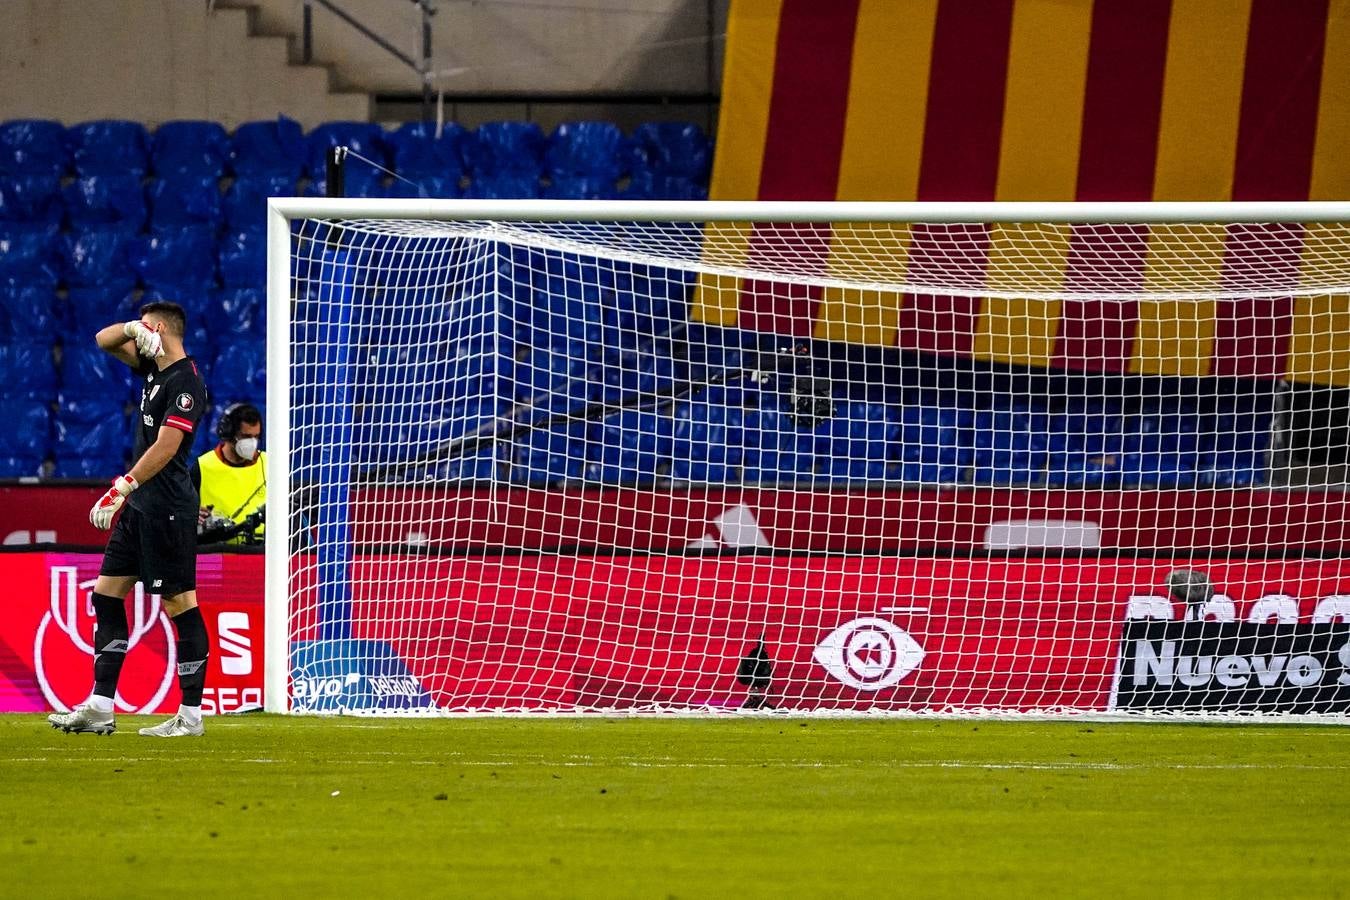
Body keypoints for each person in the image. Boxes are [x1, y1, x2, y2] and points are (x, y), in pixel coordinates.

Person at [47, 301, 211, 738]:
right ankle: (101, 705)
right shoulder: (152, 369)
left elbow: (167, 446)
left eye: (143, 326)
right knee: (105, 595)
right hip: (140, 509)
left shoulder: (186, 383)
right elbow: (102, 340)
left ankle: (191, 716)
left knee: (180, 604)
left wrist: (122, 486)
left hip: (167, 509)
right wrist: (130, 328)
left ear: (158, 327)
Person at [194, 402, 266, 545]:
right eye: (246, 436)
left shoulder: (269, 464)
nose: (252, 443)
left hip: (261, 552)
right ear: (228, 433)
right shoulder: (203, 466)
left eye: (256, 437)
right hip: (216, 553)